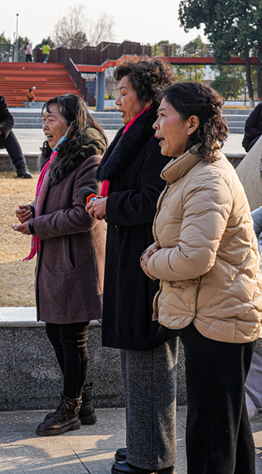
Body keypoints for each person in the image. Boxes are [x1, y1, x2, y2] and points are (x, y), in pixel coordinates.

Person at [145, 81, 262, 474]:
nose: (155, 125)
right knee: (228, 429)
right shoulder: (195, 172)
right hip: (217, 313)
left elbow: (194, 258)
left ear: (192, 123)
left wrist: (152, 261)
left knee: (211, 437)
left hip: (219, 320)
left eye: (163, 115)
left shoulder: (208, 178)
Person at [85, 56, 178, 474]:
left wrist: (110, 205)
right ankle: (142, 446)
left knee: (150, 359)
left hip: (146, 260)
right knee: (136, 363)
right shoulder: (133, 132)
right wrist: (106, 203)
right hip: (130, 254)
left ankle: (153, 459)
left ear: (147, 94)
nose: (118, 100)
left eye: (124, 92)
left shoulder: (155, 138)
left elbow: (152, 200)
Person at [13, 94, 107, 436]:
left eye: (51, 118)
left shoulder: (90, 158)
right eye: (44, 117)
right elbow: (58, 202)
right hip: (58, 257)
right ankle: (86, 402)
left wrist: (38, 225)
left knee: (71, 336)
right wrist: (34, 210)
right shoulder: (58, 155)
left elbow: (85, 215)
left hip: (76, 260)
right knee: (58, 332)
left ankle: (70, 408)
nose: (45, 124)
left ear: (72, 121)